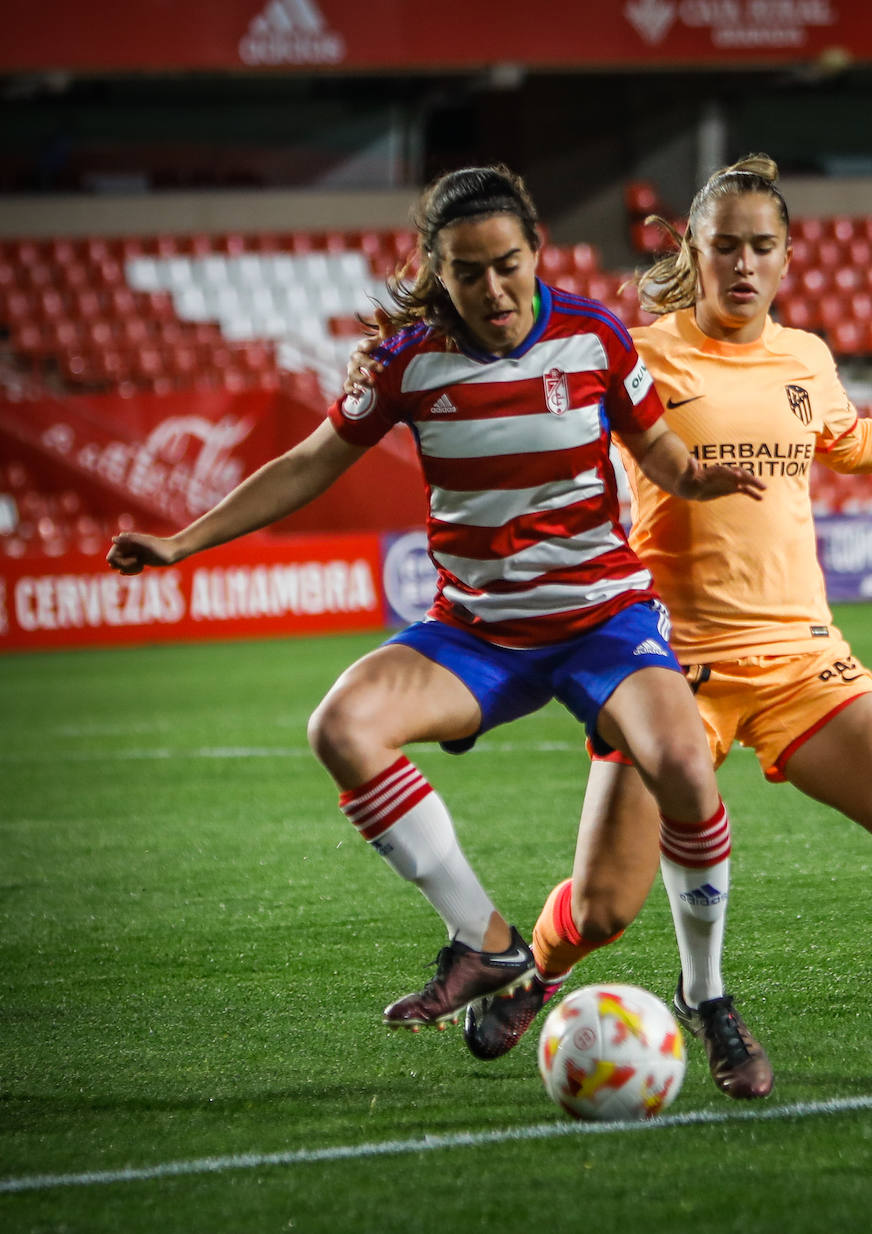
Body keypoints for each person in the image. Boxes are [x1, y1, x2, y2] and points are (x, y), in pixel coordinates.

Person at [349, 156, 872, 1098]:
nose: (744, 265)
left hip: (802, 659)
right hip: (662, 666)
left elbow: (857, 440)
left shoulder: (807, 358)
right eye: (726, 246)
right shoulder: (636, 351)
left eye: (763, 247)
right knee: (605, 906)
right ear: (691, 252)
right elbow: (533, 419)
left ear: (787, 257)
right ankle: (537, 970)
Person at [107, 163, 767, 1037]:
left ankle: (707, 994)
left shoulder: (596, 336)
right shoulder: (403, 361)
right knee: (340, 727)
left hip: (603, 621)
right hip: (479, 632)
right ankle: (484, 940)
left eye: (507, 263)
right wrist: (185, 540)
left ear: (537, 251)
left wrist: (696, 474)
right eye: (467, 271)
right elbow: (309, 463)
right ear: (439, 273)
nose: (492, 288)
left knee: (685, 766)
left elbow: (658, 454)